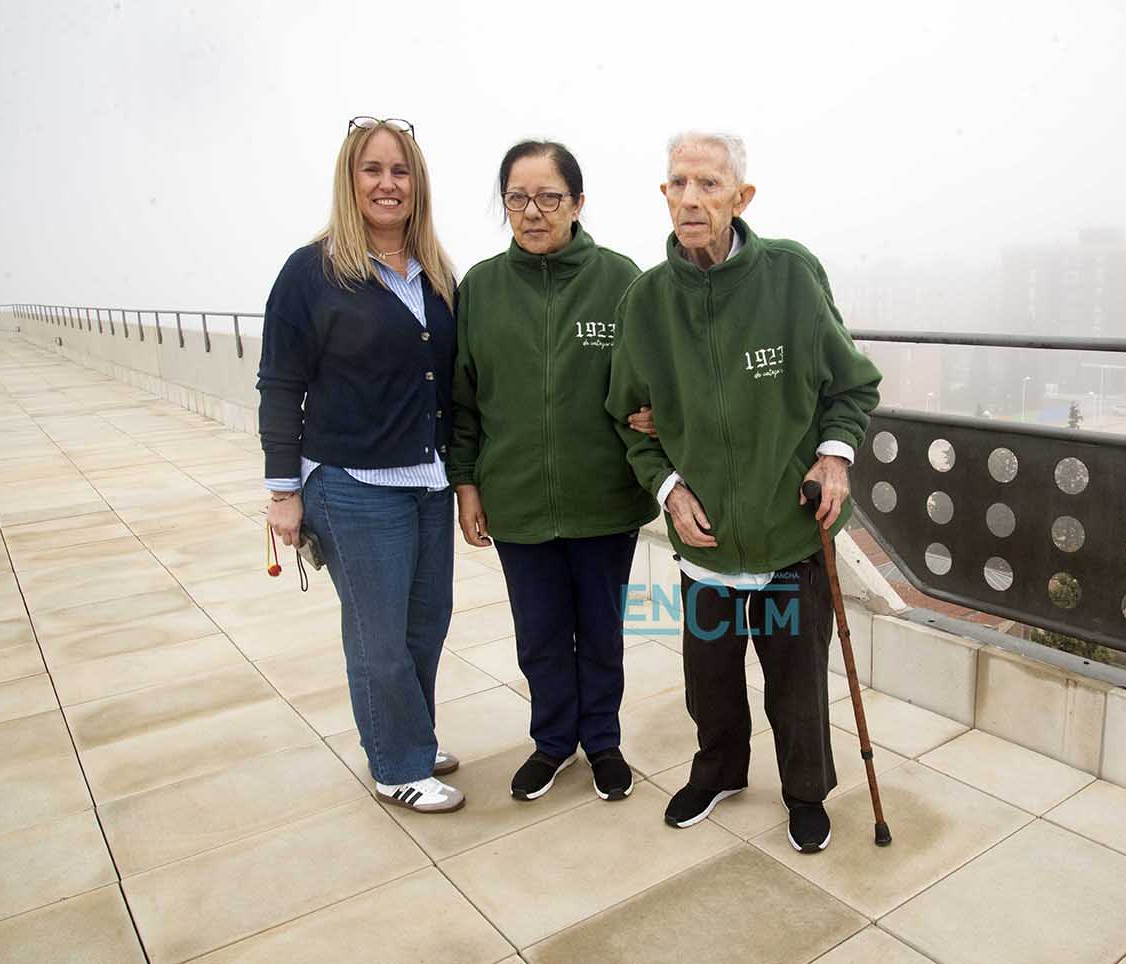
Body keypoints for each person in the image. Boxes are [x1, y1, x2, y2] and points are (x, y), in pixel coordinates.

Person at [606, 132, 881, 853]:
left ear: (741, 197)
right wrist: (668, 489)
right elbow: (630, 421)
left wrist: (834, 457)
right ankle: (720, 770)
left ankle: (805, 793)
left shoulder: (790, 275)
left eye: (708, 184)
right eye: (677, 184)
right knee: (711, 684)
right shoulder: (647, 300)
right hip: (707, 543)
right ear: (664, 195)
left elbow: (850, 384)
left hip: (792, 532)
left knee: (795, 687)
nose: (690, 198)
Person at [258, 116, 464, 814]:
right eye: (372, 169)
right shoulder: (310, 274)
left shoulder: (435, 274)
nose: (387, 183)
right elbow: (280, 384)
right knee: (379, 637)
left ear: (417, 184)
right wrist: (284, 491)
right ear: (350, 181)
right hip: (352, 485)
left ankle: (411, 732)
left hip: (429, 483)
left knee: (426, 625)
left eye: (400, 170)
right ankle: (397, 762)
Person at [450, 141, 659, 803]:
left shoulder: (621, 278)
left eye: (549, 197)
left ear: (577, 203)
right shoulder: (480, 287)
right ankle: (552, 743)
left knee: (600, 632)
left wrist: (662, 416)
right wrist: (468, 484)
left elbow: (655, 377)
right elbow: (462, 398)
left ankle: (602, 742)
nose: (533, 212)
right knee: (539, 635)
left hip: (603, 497)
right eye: (518, 197)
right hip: (514, 498)